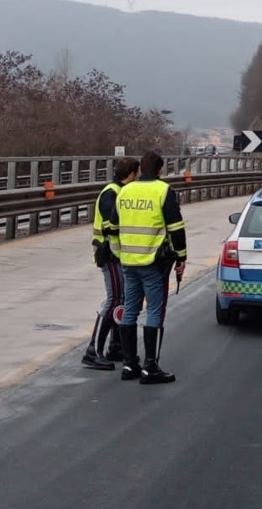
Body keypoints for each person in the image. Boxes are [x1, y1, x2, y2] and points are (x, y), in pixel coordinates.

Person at [115, 150, 185, 385]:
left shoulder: (124, 191)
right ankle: (150, 367)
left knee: (130, 310)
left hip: (128, 261)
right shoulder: (163, 190)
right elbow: (176, 227)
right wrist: (181, 256)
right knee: (155, 311)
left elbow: (113, 225)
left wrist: (119, 252)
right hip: (153, 262)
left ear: (140, 169)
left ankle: (129, 364)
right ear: (159, 169)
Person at [82, 157, 139, 371]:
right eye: (137, 174)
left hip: (118, 254)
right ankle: (92, 351)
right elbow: (110, 226)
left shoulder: (118, 192)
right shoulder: (111, 193)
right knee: (114, 299)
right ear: (132, 174)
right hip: (109, 253)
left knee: (121, 299)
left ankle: (116, 346)